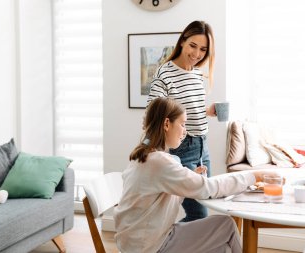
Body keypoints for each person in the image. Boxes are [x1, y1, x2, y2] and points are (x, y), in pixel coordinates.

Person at [114, 97, 277, 253]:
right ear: (166, 124)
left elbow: (159, 196)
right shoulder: (160, 162)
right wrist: (254, 176)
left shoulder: (143, 156)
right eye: (183, 124)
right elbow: (208, 188)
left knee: (224, 249)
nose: (185, 131)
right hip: (151, 246)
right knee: (226, 225)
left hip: (137, 242)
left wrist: (188, 177)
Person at [146, 20, 216, 221]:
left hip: (203, 146)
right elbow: (154, 111)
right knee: (198, 215)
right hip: (183, 148)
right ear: (183, 40)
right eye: (193, 46)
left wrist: (206, 110)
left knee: (203, 208)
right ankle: (160, 241)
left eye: (203, 49)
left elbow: (184, 107)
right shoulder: (165, 72)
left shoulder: (196, 74)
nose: (196, 54)